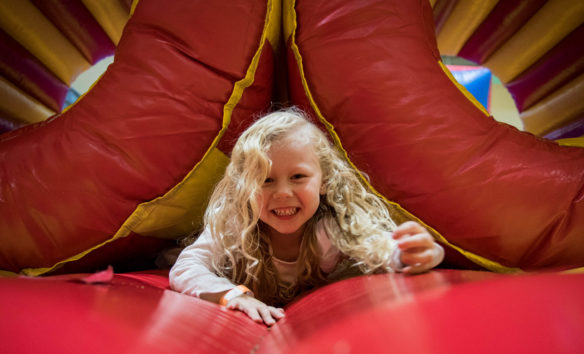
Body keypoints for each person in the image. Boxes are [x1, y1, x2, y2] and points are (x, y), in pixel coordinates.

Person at [170, 108, 444, 326]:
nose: (282, 193)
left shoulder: (331, 227)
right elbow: (187, 266)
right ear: (245, 188)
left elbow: (379, 247)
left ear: (324, 181)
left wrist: (413, 253)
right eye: (265, 181)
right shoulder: (236, 224)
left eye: (298, 177)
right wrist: (232, 296)